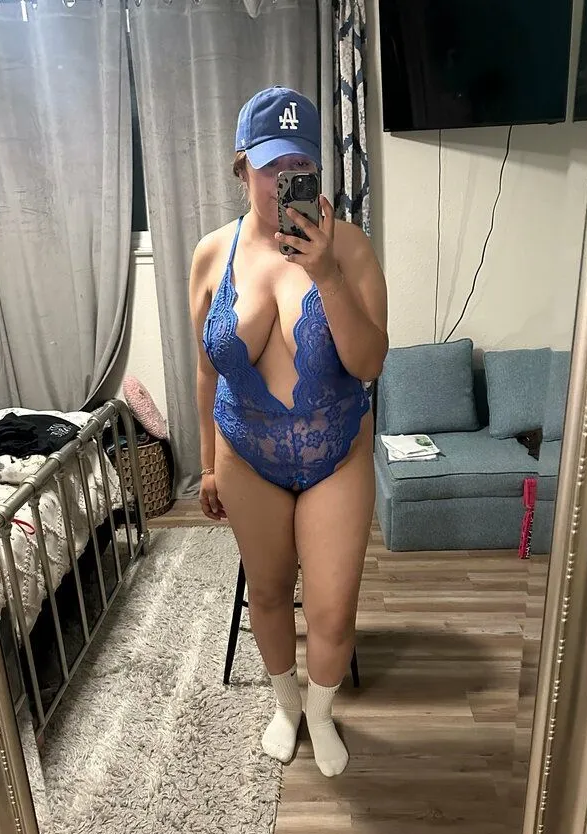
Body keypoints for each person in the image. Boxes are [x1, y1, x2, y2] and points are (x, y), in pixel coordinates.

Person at [189, 87, 388, 777]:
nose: (284, 179)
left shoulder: (349, 248)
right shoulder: (211, 255)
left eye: (299, 164)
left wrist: (325, 273)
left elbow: (369, 363)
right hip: (246, 455)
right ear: (241, 166)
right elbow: (207, 369)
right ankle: (285, 706)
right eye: (271, 164)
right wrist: (207, 465)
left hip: (336, 454)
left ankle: (323, 712)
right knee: (269, 594)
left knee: (331, 612)